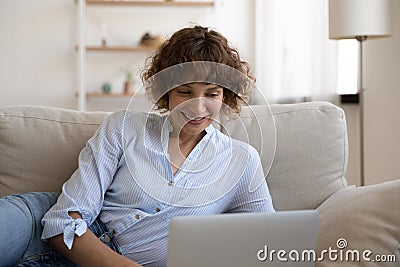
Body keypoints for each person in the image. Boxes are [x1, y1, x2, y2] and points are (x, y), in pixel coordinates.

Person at [0, 25, 274, 267]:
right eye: (185, 92)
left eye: (212, 94)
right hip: (34, 225)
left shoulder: (241, 160)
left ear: (226, 94)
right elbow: (63, 222)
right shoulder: (124, 127)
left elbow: (269, 244)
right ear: (166, 90)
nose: (198, 107)